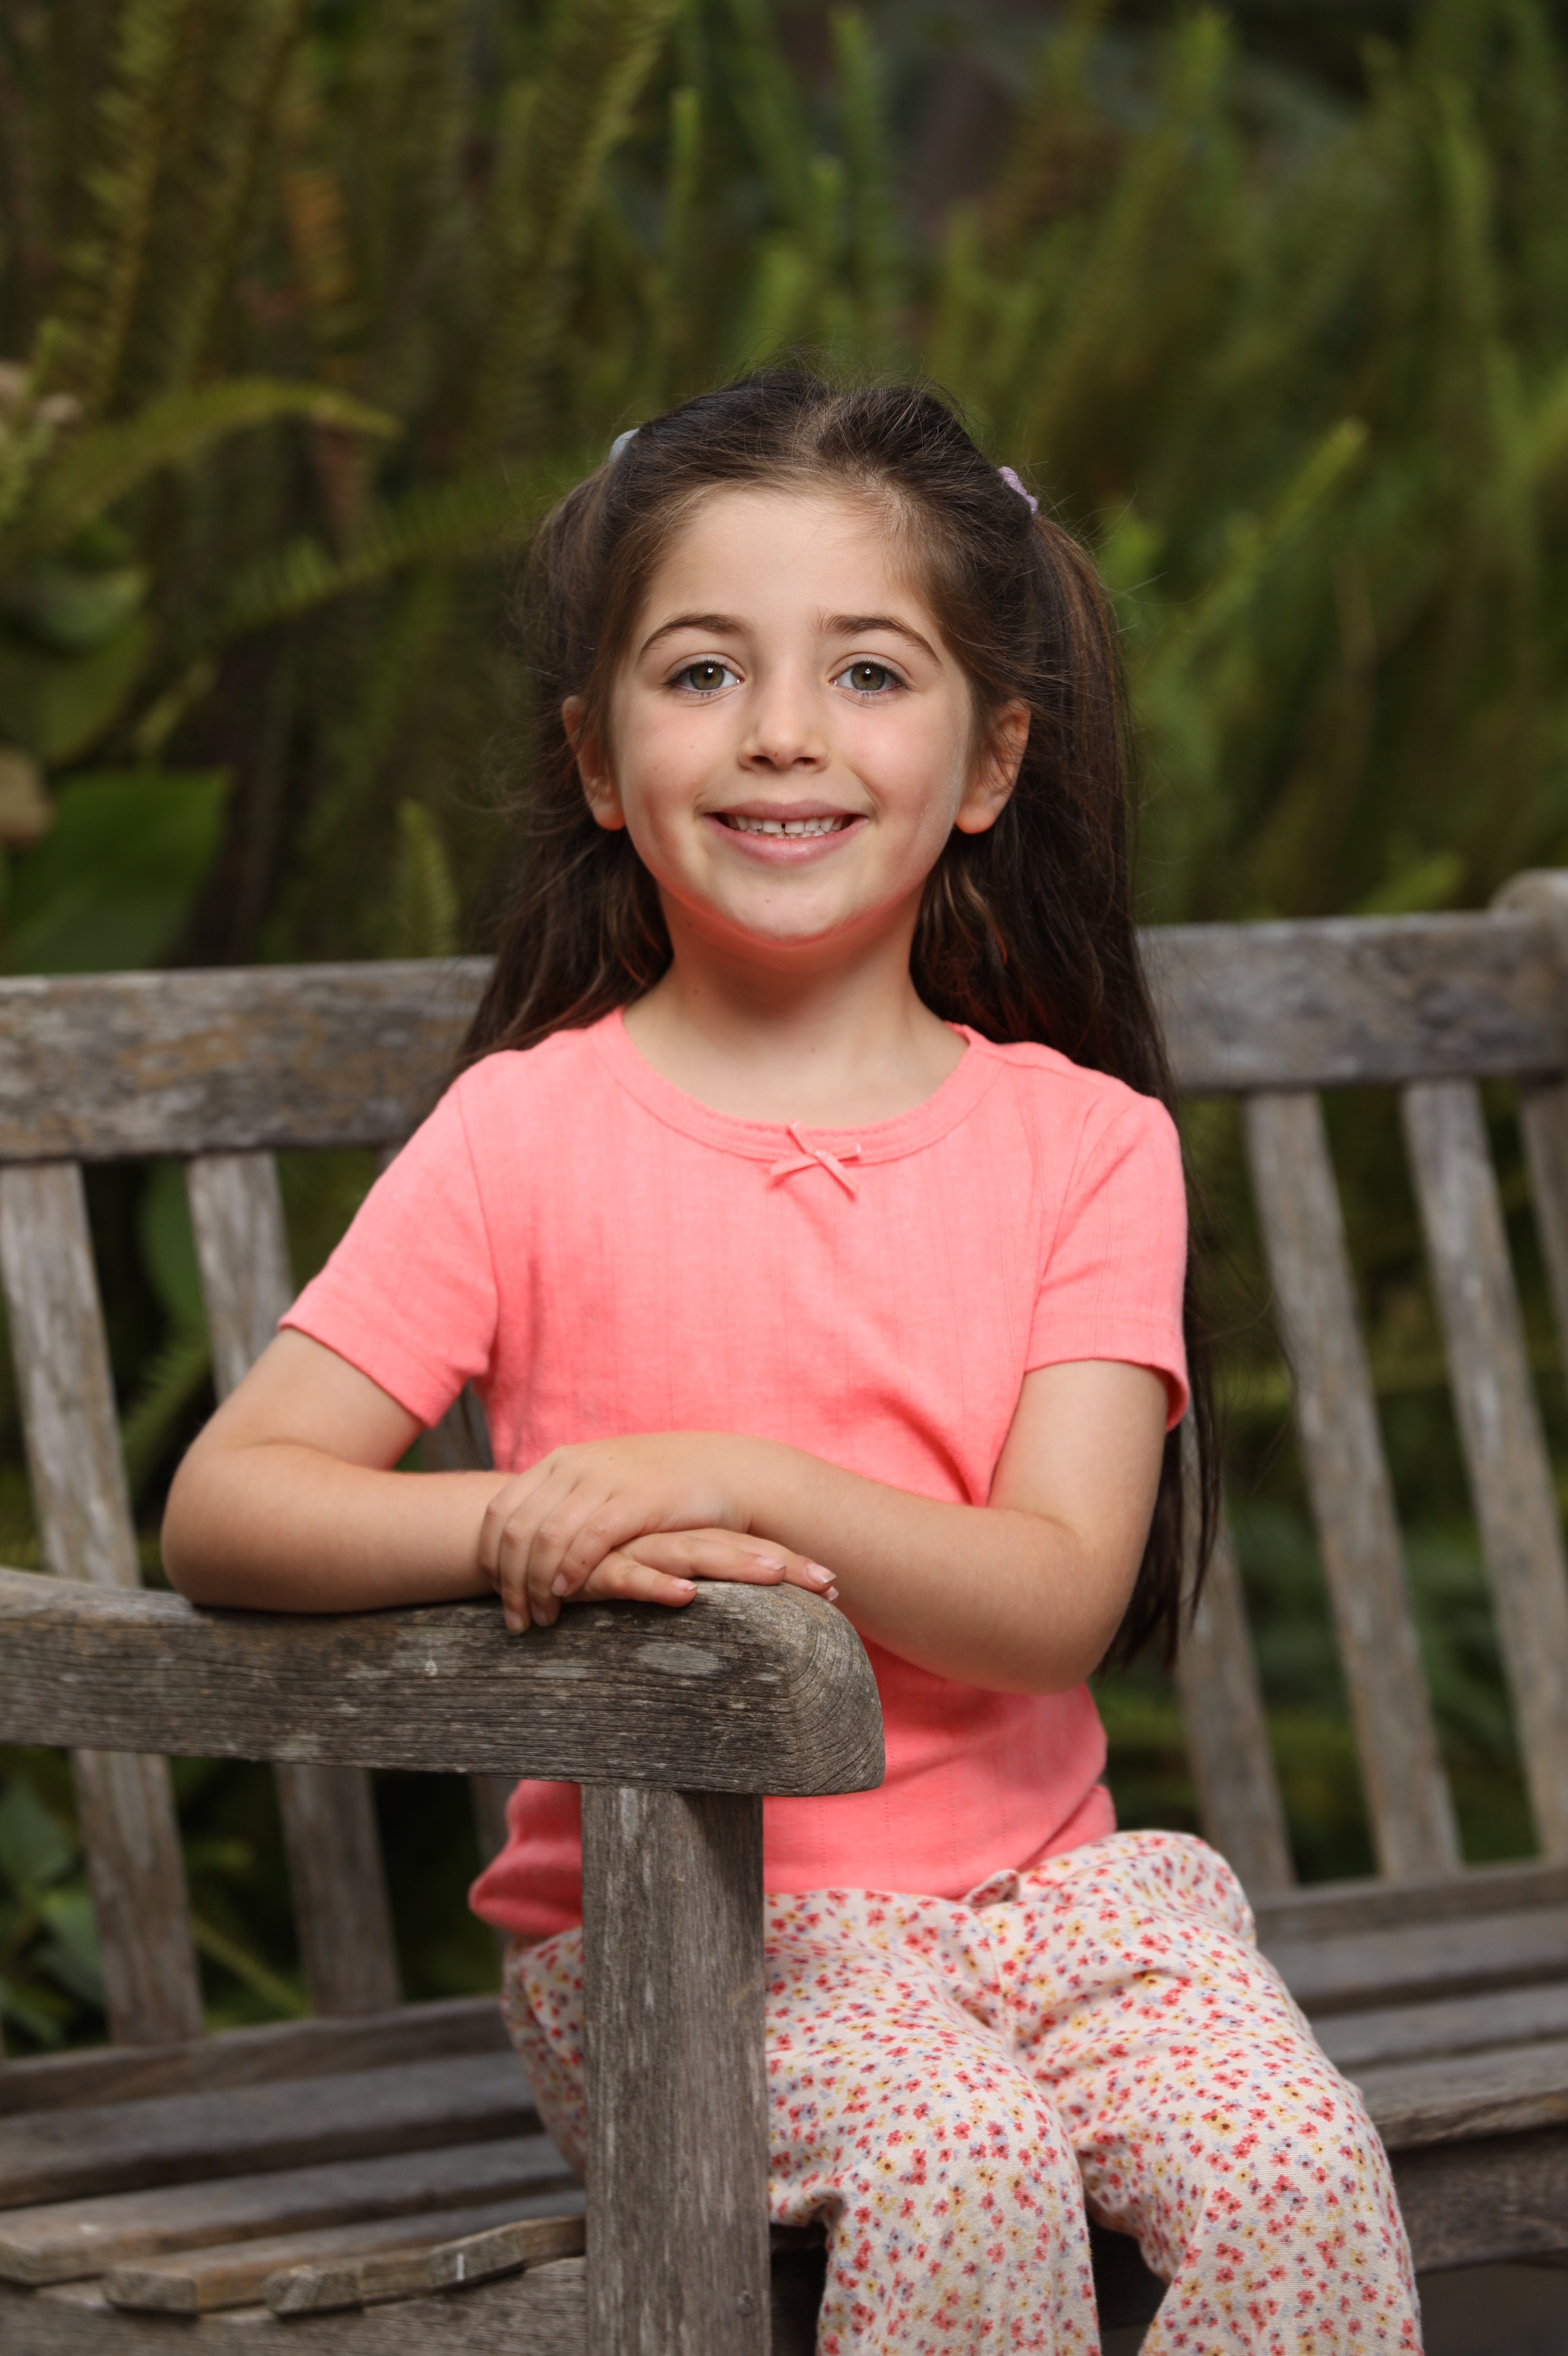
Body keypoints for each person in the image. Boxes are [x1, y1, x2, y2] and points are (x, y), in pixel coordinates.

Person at [164, 374, 1420, 2353]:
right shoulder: (524, 1137)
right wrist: (526, 1523)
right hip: (695, 1948)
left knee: (1297, 2167)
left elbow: (1052, 1598)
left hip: (1063, 1921)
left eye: (868, 672)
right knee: (963, 2158)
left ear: (990, 759)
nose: (781, 732)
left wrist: (733, 1476)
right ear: (598, 759)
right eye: (701, 671)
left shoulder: (1086, 1148)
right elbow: (231, 1505)